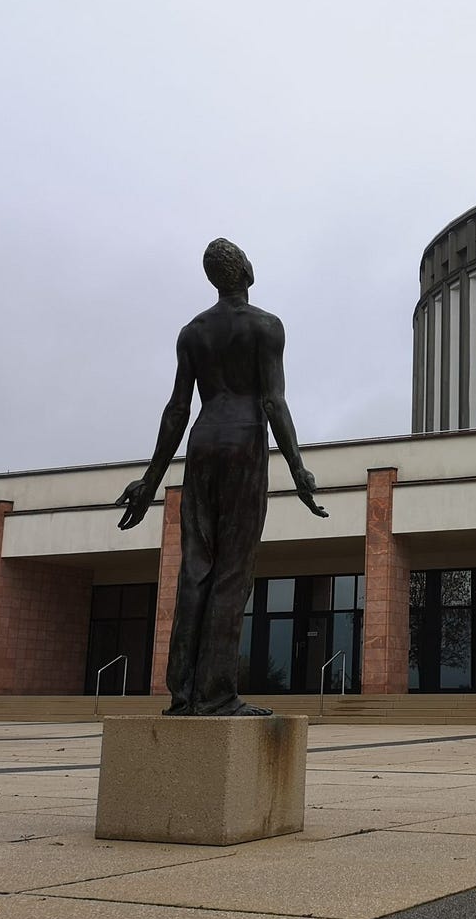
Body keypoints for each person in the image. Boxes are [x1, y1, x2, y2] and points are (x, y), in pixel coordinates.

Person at [116, 239, 327, 715]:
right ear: (247, 271)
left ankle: (183, 693)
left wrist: (150, 480)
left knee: (195, 570)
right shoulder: (266, 326)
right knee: (233, 571)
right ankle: (216, 694)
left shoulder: (193, 332)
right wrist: (298, 469)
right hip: (243, 442)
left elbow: (177, 409)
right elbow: (273, 401)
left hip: (203, 442)